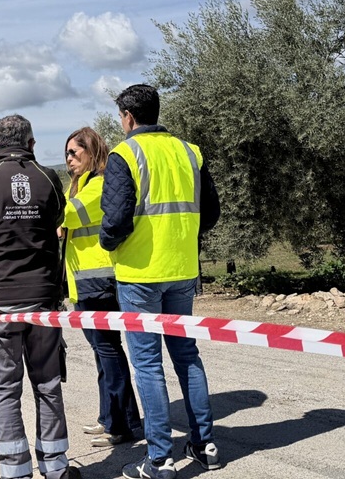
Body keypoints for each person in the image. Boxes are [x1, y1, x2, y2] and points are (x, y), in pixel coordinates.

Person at [99, 84, 222, 479]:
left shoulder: (125, 154)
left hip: (139, 276)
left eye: (121, 118)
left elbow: (116, 220)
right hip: (183, 270)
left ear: (129, 117)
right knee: (187, 356)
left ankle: (160, 460)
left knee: (148, 366)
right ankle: (206, 445)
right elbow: (212, 211)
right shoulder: (190, 151)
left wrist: (107, 242)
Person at [0, 114, 81, 479]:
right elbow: (55, 220)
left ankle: (15, 472)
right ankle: (57, 468)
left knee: (6, 391)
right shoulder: (48, 178)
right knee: (49, 386)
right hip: (43, 300)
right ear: (32, 144)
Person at [59, 127, 143, 449]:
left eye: (74, 153)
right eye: (66, 153)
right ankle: (111, 417)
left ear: (91, 152)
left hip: (99, 282)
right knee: (102, 354)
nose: (68, 159)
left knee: (108, 352)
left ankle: (120, 426)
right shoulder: (79, 185)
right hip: (84, 284)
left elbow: (69, 215)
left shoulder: (99, 184)